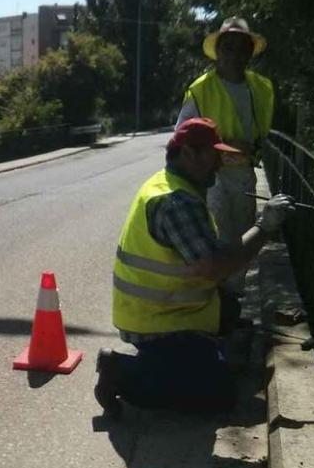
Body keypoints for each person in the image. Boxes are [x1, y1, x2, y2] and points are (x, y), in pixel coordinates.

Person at [94, 118, 294, 417]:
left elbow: (210, 260)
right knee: (221, 394)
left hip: (163, 310)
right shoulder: (176, 201)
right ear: (189, 153)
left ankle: (180, 361)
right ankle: (121, 372)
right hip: (157, 322)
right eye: (214, 156)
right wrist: (264, 227)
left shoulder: (171, 184)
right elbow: (215, 267)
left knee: (231, 313)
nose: (219, 164)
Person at [176, 17, 274, 312]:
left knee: (244, 240)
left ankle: (232, 305)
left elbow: (263, 132)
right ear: (218, 52)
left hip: (244, 174)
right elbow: (182, 136)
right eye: (228, 47)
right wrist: (218, 147)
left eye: (241, 47)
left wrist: (252, 148)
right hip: (212, 177)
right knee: (217, 241)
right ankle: (214, 307)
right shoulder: (200, 89)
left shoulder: (261, 88)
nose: (234, 54)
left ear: (249, 51)